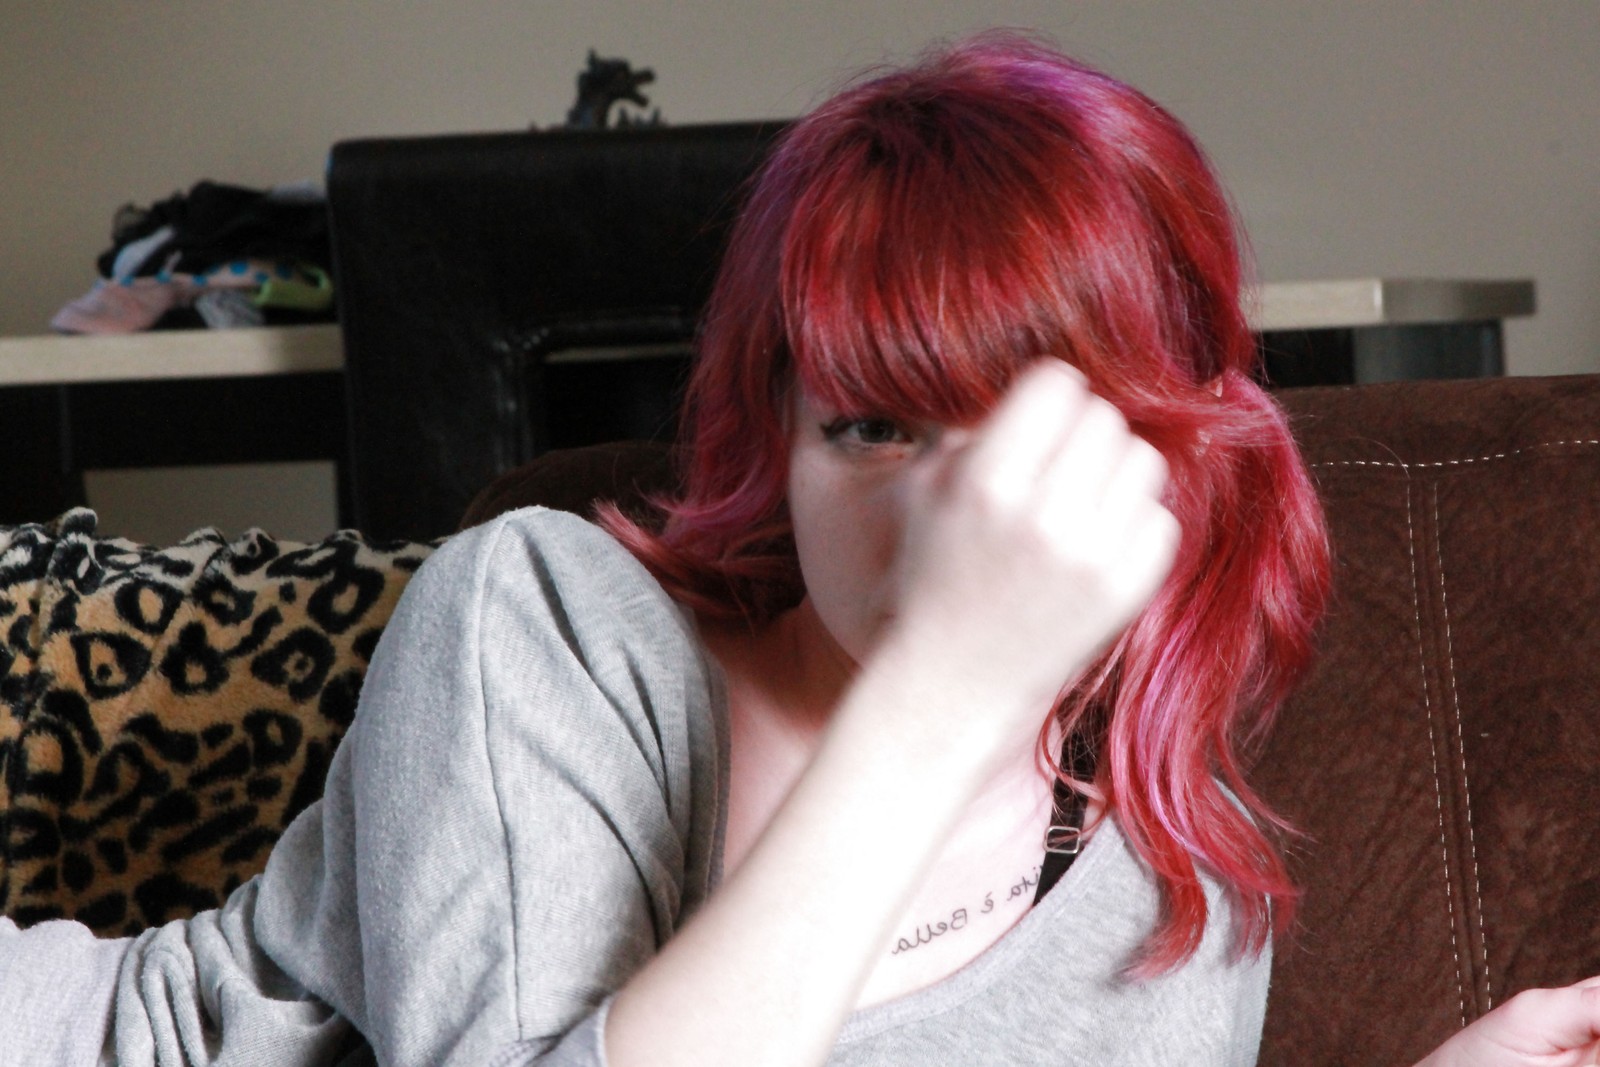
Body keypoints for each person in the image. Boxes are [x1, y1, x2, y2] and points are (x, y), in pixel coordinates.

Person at [2, 31, 1596, 1067]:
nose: (948, 514)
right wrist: (943, 697)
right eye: (873, 427)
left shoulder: (1176, 878)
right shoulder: (544, 622)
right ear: (774, 440)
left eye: (1020, 431)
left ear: (1163, 459)